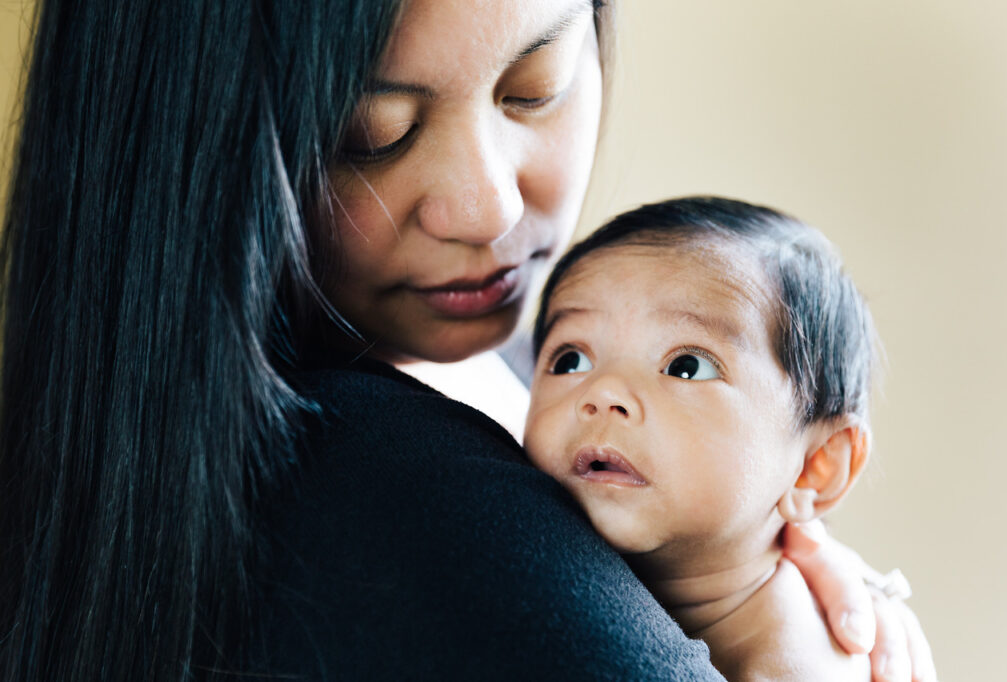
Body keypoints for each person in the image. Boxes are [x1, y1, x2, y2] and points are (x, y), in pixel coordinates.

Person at [0, 1, 934, 680]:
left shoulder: (524, 387)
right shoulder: (394, 495)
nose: (488, 208)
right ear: (193, 151)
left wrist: (747, 570)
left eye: (536, 88)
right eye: (374, 134)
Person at [525, 196, 885, 680]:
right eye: (571, 360)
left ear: (814, 466)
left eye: (686, 366)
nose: (603, 391)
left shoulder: (798, 666)